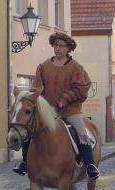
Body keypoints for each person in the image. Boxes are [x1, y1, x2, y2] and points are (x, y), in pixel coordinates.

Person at [12, 32, 98, 179]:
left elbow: (81, 88)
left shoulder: (76, 68)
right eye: (56, 45)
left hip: (70, 110)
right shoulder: (43, 67)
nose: (58, 48)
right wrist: (31, 97)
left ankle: (90, 165)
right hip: (49, 110)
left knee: (81, 133)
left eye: (61, 46)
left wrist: (65, 98)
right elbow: (37, 88)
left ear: (68, 48)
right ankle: (25, 162)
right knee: (30, 129)